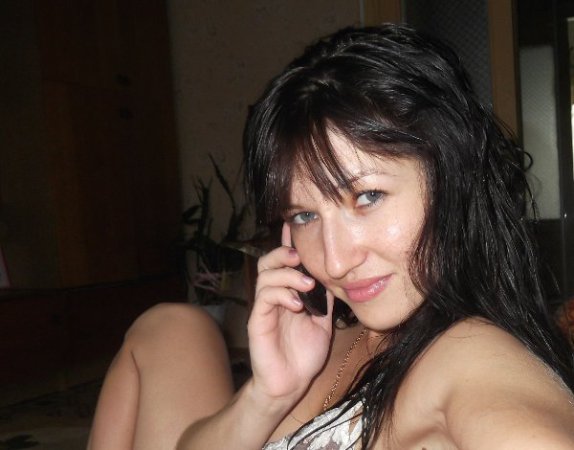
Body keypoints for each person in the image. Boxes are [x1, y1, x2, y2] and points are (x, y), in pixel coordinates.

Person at [87, 23, 574, 449]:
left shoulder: (469, 354)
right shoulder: (341, 338)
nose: (334, 262)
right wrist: (267, 395)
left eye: (367, 197)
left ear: (454, 180)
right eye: (304, 216)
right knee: (170, 326)